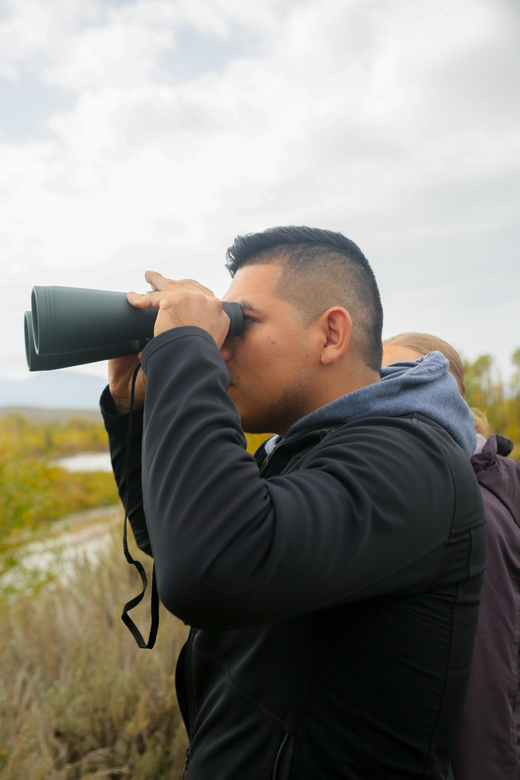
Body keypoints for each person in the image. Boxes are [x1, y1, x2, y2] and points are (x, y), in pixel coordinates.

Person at [101, 226, 486, 779]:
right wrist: (133, 406)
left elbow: (215, 568)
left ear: (331, 334)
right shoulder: (304, 450)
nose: (223, 344)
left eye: (241, 321)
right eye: (219, 325)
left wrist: (187, 351)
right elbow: (178, 541)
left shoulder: (408, 462)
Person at [382, 332, 520, 780]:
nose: (384, 396)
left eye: (404, 379)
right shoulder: (474, 481)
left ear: (450, 395)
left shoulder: (472, 508)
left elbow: (486, 680)